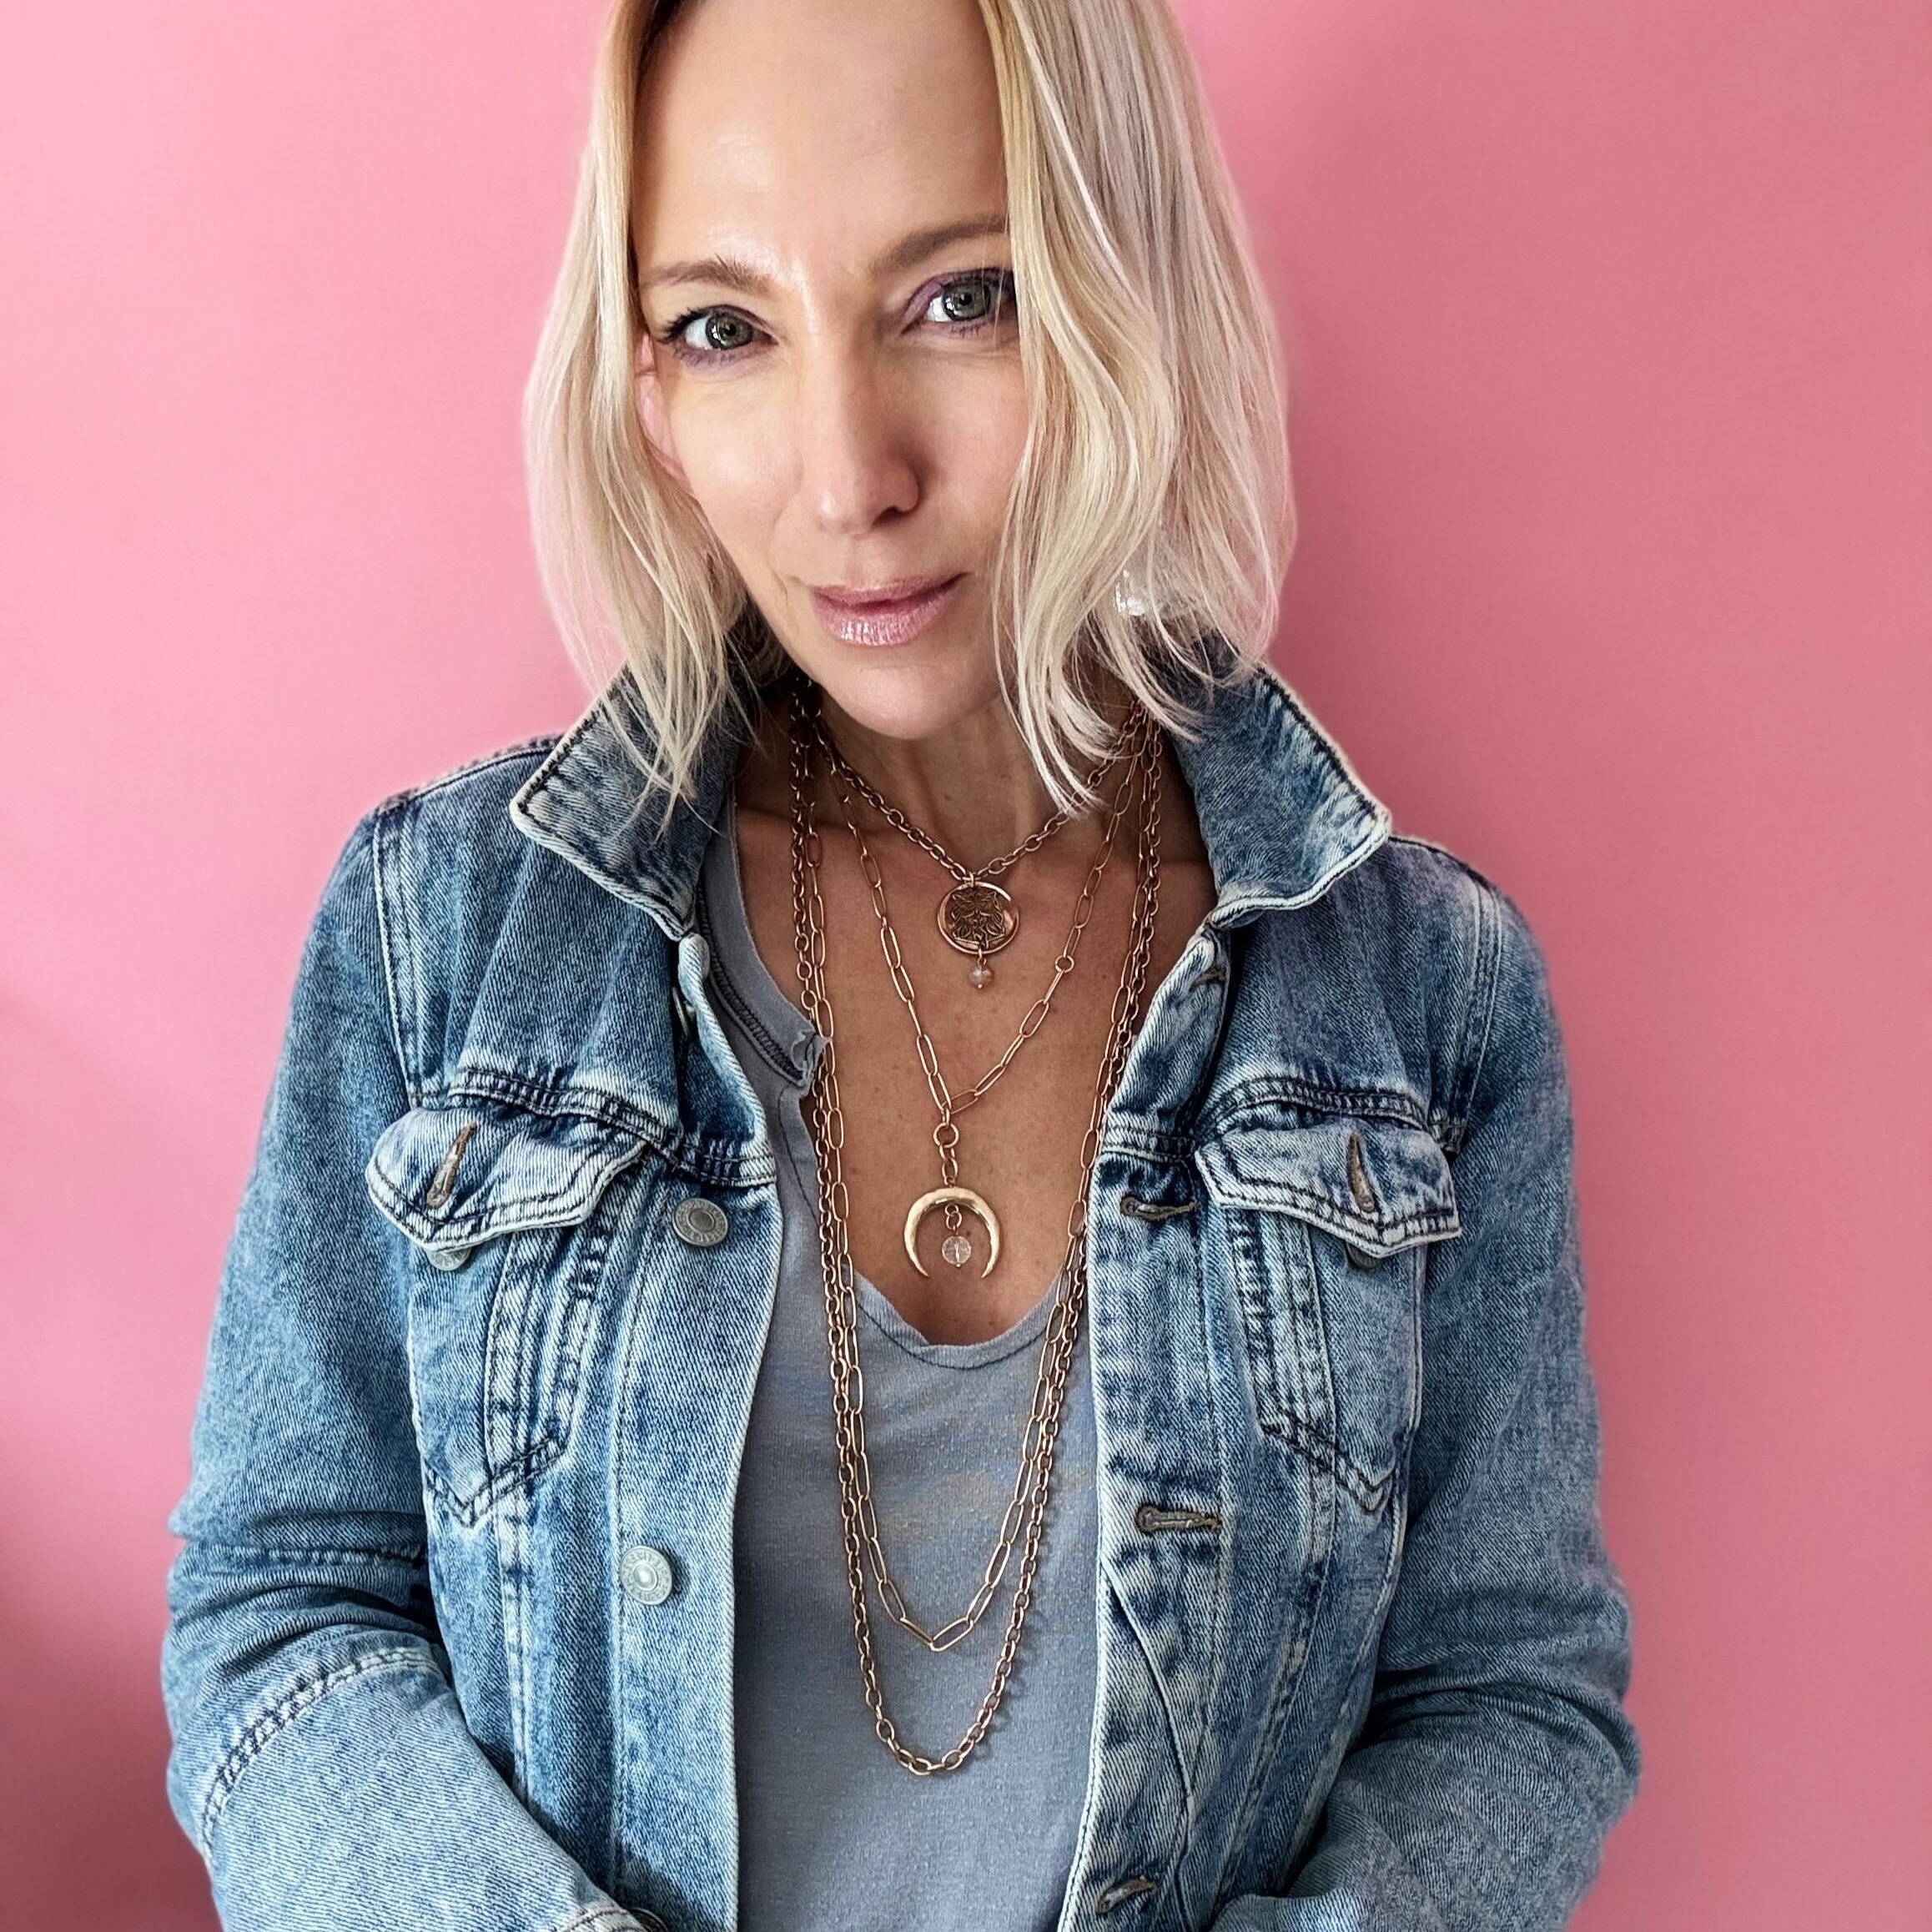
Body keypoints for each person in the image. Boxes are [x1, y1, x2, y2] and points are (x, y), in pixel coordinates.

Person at [161, 0, 1639, 1926]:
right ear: (642, 380)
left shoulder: (1428, 1001)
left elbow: (1508, 1697)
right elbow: (281, 1616)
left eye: (962, 299)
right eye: (724, 327)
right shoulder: (445, 938)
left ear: (1127, 280)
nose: (848, 475)